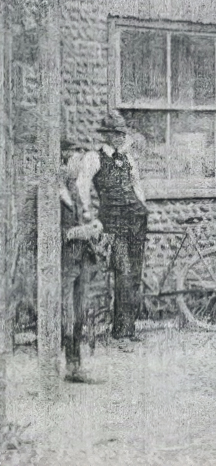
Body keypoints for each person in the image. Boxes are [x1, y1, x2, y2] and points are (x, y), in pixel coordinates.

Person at [75, 112, 150, 351]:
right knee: (124, 273)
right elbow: (82, 186)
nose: (119, 138)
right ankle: (121, 334)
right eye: (114, 134)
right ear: (106, 135)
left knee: (135, 275)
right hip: (113, 224)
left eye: (121, 134)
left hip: (136, 222)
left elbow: (137, 185)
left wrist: (143, 207)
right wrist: (87, 214)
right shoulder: (94, 158)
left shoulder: (128, 158)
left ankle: (127, 329)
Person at [60, 139, 104, 382]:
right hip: (64, 263)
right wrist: (84, 231)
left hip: (82, 260)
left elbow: (79, 223)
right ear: (62, 162)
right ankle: (66, 366)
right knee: (65, 315)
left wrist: (91, 227)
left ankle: (75, 367)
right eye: (76, 160)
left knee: (79, 314)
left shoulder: (74, 190)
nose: (80, 166)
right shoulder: (50, 194)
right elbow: (54, 233)